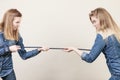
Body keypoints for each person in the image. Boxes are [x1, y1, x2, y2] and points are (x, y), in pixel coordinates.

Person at [64, 7, 120, 80]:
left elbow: (89, 58)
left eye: (94, 21)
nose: (93, 25)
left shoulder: (102, 35)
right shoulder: (116, 32)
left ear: (102, 19)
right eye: (92, 22)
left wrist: (74, 49)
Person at [0, 9, 49, 80]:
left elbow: (24, 55)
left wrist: (39, 49)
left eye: (19, 22)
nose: (19, 25)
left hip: (7, 69)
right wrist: (9, 49)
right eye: (17, 22)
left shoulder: (17, 36)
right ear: (9, 22)